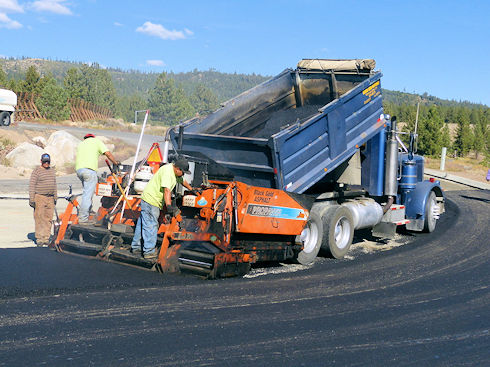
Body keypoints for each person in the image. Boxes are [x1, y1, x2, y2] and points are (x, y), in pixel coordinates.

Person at [131, 158, 193, 260]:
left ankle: (136, 247)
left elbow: (182, 181)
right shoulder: (168, 173)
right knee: (151, 225)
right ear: (177, 168)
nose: (183, 174)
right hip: (152, 201)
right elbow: (167, 190)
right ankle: (149, 252)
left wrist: (192, 189)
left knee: (142, 223)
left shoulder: (173, 171)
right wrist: (168, 206)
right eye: (182, 172)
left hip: (148, 199)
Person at [75, 133, 119, 224]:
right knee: (87, 195)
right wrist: (115, 162)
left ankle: (89, 211)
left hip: (79, 171)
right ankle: (83, 219)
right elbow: (108, 153)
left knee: (87, 192)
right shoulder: (96, 142)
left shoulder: (81, 144)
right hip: (89, 171)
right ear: (93, 137)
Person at [29, 153, 57, 247]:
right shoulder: (36, 171)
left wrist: (55, 197)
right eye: (45, 161)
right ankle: (39, 239)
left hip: (50, 198)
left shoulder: (52, 171)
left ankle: (46, 238)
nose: (46, 163)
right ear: (41, 161)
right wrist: (32, 199)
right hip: (39, 197)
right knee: (39, 218)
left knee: (48, 219)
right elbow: (32, 185)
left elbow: (54, 184)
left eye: (48, 162)